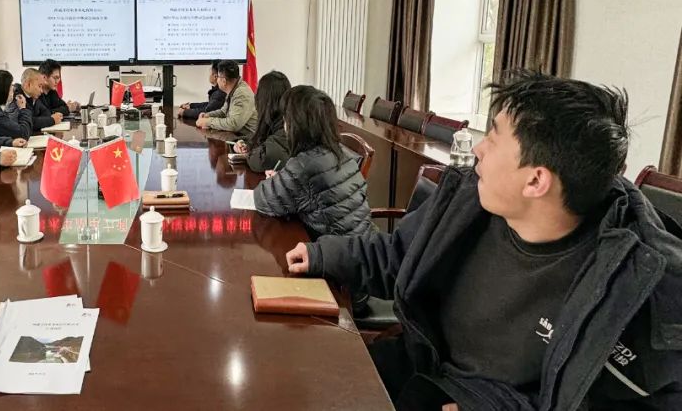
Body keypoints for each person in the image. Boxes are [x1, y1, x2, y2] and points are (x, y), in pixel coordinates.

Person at [285, 71, 682, 410]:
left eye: (493, 136)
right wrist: (321, 255)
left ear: (536, 180)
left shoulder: (635, 284)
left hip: (486, 400)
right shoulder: (468, 201)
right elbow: (398, 255)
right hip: (420, 367)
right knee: (295, 383)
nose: (478, 148)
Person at [253, 85, 370, 238]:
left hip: (336, 249)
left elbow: (262, 198)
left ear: (297, 125)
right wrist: (284, 179)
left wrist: (276, 181)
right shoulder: (341, 152)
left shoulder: (303, 166)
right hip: (366, 243)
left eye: (286, 119)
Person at [233, 71, 292, 173]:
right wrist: (244, 144)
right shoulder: (275, 119)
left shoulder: (286, 126)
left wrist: (249, 153)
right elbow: (262, 138)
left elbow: (262, 159)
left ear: (266, 100)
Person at [196, 60, 259, 137]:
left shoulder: (242, 94)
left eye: (218, 77)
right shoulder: (233, 89)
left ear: (224, 81)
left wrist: (208, 122)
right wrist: (208, 115)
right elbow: (224, 112)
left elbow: (233, 124)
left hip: (247, 140)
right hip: (236, 137)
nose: (217, 80)